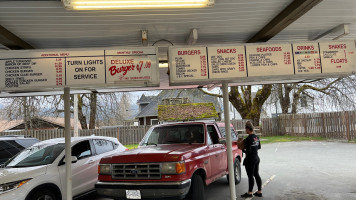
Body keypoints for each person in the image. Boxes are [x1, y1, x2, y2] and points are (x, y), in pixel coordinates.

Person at [241, 121, 262, 198]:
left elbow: (248, 151)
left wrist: (242, 149)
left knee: (250, 176)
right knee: (256, 174)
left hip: (250, 160)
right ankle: (259, 191)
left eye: (245, 129)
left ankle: (250, 193)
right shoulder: (256, 137)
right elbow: (259, 147)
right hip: (256, 158)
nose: (245, 131)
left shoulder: (248, 139)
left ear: (248, 129)